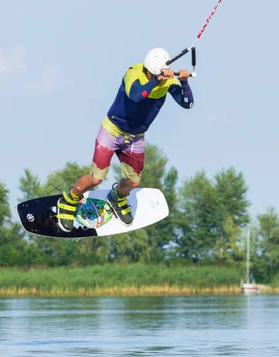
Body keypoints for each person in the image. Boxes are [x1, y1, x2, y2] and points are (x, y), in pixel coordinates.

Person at [56, 48, 194, 232]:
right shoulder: (133, 73)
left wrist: (183, 82)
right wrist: (156, 80)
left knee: (133, 182)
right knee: (96, 178)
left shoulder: (167, 82)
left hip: (135, 138)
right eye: (154, 73)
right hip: (112, 131)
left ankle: (117, 197)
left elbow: (187, 103)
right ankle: (69, 200)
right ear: (149, 70)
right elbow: (136, 96)